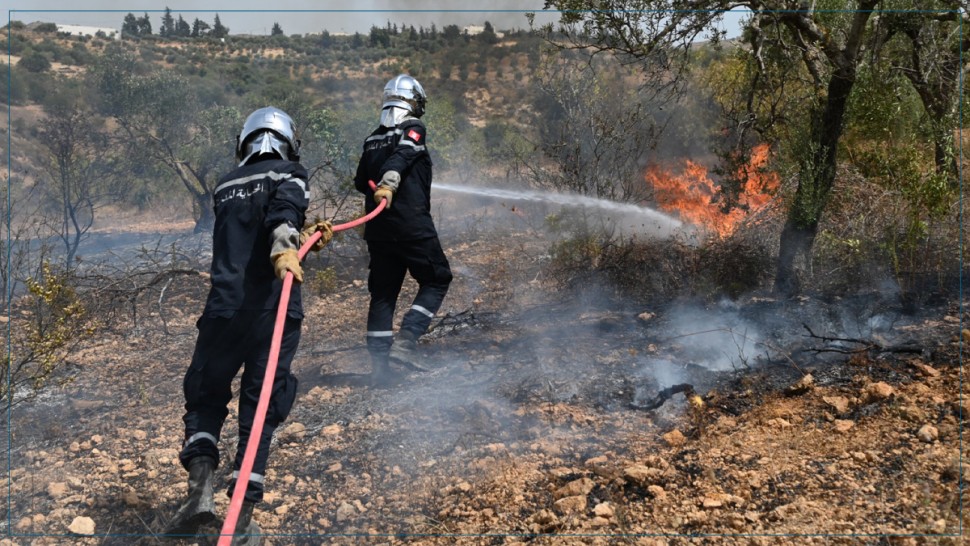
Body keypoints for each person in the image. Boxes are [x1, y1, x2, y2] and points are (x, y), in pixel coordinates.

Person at [165, 107, 332, 544]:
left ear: (246, 141)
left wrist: (305, 238)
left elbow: (247, 229)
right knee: (260, 410)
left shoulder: (226, 183)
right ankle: (240, 524)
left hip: (223, 310)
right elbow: (281, 214)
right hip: (272, 311)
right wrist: (287, 247)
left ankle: (199, 495)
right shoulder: (290, 173)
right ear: (287, 141)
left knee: (205, 396)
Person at [354, 74, 453, 386]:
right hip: (411, 224)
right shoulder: (413, 128)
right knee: (437, 278)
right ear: (413, 101)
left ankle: (380, 368)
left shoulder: (371, 139)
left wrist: (378, 179)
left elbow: (359, 181)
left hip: (379, 230)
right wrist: (391, 179)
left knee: (383, 294)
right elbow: (405, 152)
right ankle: (407, 340)